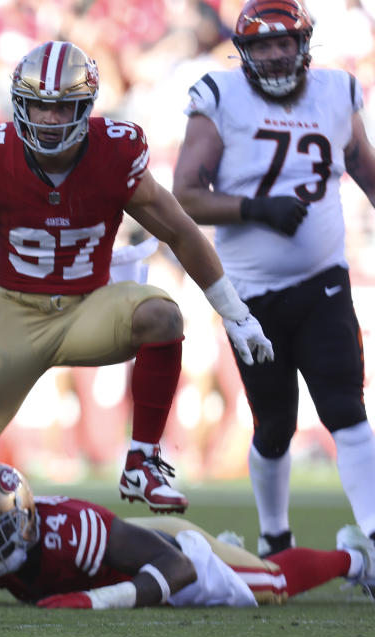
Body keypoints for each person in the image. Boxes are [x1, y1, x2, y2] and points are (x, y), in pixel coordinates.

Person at [0, 39, 275, 606]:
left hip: (88, 305)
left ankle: (143, 462)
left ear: (86, 109)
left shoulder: (115, 150)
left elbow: (181, 230)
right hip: (16, 312)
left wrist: (236, 314)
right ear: (18, 104)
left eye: (63, 107)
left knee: (162, 314)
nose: (50, 119)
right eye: (39, 105)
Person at [172, 0, 375, 558]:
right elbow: (185, 195)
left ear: (304, 44)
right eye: (262, 45)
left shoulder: (337, 91)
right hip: (248, 297)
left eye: (285, 42)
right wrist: (255, 209)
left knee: (345, 406)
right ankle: (275, 537)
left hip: (322, 279)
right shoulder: (220, 96)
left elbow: (367, 173)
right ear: (244, 53)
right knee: (274, 421)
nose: (276, 54)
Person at [0, 462, 375, 608]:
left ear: (25, 521)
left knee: (272, 586)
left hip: (169, 559)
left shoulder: (71, 531)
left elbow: (177, 568)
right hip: (132, 548)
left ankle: (355, 556)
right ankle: (230, 547)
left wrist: (95, 601)